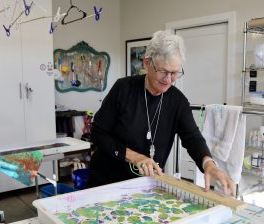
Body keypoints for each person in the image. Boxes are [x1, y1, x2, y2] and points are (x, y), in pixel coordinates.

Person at [89, 30, 236, 197]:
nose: (168, 79)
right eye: (163, 71)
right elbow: (98, 133)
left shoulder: (178, 101)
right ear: (146, 63)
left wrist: (209, 164)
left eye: (174, 73)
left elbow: (193, 138)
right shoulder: (123, 89)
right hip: (105, 183)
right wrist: (134, 157)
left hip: (147, 186)